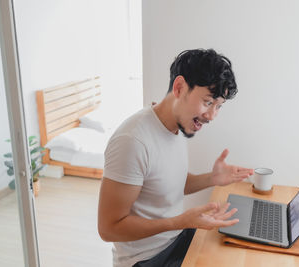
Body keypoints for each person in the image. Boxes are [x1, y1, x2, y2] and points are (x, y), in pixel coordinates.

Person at [98, 48, 254, 267]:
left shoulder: (176, 126)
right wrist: (178, 221)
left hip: (176, 240)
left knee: (238, 254)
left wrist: (213, 178)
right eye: (208, 102)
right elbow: (108, 228)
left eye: (218, 106)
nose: (211, 116)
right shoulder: (132, 141)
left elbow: (167, 184)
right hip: (146, 260)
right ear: (180, 87)